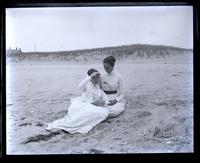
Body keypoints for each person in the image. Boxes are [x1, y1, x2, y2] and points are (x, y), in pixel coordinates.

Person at [46, 69, 110, 134]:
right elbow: (80, 86)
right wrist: (90, 77)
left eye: (97, 77)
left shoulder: (98, 87)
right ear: (90, 78)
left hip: (92, 106)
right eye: (94, 77)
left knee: (104, 112)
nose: (96, 79)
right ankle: (69, 126)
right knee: (83, 116)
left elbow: (106, 99)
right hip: (83, 104)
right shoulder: (87, 85)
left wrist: (105, 102)